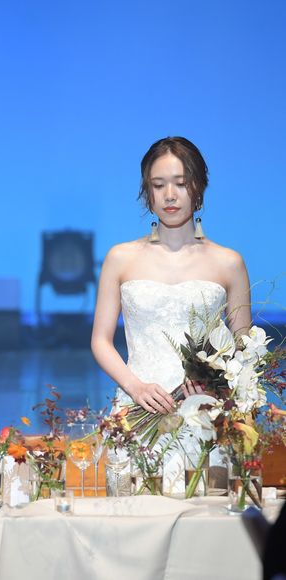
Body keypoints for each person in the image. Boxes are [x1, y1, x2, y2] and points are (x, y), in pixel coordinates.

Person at [91, 136, 251, 492]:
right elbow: (100, 340)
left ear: (199, 187)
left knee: (205, 514)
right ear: (147, 192)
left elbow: (243, 349)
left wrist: (213, 384)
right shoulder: (121, 258)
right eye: (158, 184)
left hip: (205, 414)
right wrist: (136, 387)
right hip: (136, 410)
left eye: (180, 183)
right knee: (129, 514)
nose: (169, 195)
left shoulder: (229, 262)